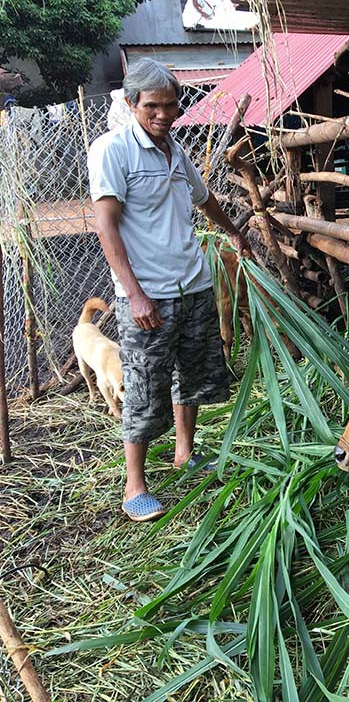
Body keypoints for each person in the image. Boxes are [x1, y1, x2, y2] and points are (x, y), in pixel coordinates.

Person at [88, 58, 250, 522]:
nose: (164, 115)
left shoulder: (175, 151)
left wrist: (233, 231)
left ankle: (185, 452)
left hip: (192, 282)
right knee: (143, 388)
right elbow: (106, 227)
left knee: (192, 375)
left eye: (171, 106)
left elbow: (205, 199)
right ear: (130, 103)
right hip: (148, 294)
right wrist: (135, 294)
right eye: (153, 107)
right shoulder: (113, 151)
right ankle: (134, 485)